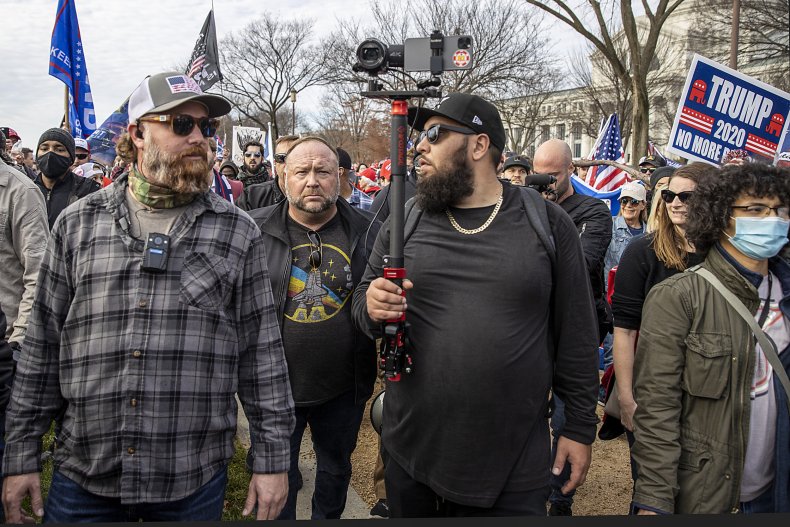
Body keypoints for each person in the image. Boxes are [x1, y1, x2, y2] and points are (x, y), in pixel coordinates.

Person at [1, 71, 295, 523]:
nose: (199, 136)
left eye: (207, 127)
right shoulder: (78, 224)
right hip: (86, 474)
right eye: (182, 125)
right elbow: (42, 345)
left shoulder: (238, 231)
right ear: (137, 133)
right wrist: (21, 451)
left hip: (190, 477)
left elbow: (262, 357)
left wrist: (273, 459)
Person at [354, 92, 599, 518]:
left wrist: (578, 428)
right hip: (412, 453)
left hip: (512, 462)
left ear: (479, 145)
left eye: (434, 133)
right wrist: (373, 305)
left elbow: (577, 334)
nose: (418, 146)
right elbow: (361, 304)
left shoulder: (546, 222)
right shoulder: (407, 217)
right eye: (419, 136)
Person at [632, 163, 790, 514]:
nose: (773, 219)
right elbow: (658, 409)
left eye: (780, 209)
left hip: (777, 495)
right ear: (720, 217)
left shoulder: (786, 293)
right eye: (755, 209)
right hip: (710, 496)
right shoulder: (679, 297)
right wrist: (654, 500)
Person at [248, 137, 379, 520]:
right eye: (301, 171)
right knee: (277, 476)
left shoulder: (371, 232)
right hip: (274, 387)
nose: (312, 180)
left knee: (336, 468)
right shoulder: (253, 231)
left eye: (323, 171)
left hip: (344, 386)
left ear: (339, 177)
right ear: (283, 176)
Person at [609, 162, 715, 479]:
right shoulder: (642, 252)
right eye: (668, 195)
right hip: (653, 393)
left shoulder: (729, 255)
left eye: (687, 196)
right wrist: (627, 399)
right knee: (654, 487)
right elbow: (624, 332)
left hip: (710, 394)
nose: (675, 203)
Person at [533, 138, 612, 516]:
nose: (545, 182)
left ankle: (560, 498)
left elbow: (581, 262)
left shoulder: (593, 211)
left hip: (578, 328)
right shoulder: (524, 208)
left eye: (553, 175)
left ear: (571, 172)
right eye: (539, 174)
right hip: (533, 327)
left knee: (567, 416)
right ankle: (530, 487)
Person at [32, 128, 101, 229]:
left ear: (71, 158)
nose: (50, 154)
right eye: (44, 149)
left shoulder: (88, 190)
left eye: (59, 149)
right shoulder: (26, 190)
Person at [237, 135, 299, 211]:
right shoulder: (250, 195)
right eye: (281, 158)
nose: (252, 158)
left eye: (294, 158)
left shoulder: (313, 196)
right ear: (275, 162)